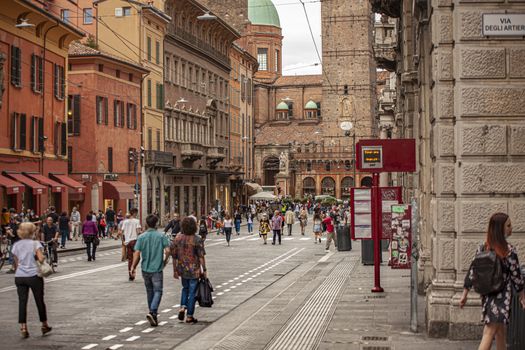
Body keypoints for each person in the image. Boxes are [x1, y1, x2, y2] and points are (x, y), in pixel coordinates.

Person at [459, 213, 525, 350]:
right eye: (508, 225)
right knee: (489, 332)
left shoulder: (482, 248)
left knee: (500, 332)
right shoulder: (509, 251)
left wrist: (464, 293)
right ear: (500, 228)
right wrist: (522, 295)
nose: (511, 228)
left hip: (487, 296)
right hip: (502, 298)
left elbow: (472, 271)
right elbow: (516, 277)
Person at [12, 222, 52, 338]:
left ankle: (23, 327)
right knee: (39, 300)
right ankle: (44, 325)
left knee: (22, 302)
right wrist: (41, 257)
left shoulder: (16, 245)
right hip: (33, 275)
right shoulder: (35, 244)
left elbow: (16, 263)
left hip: (20, 276)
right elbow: (40, 258)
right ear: (32, 232)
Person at [130, 214, 171, 327]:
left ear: (147, 224)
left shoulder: (142, 237)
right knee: (158, 291)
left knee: (150, 291)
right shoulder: (161, 236)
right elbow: (168, 250)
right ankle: (153, 311)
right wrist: (165, 260)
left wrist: (133, 267)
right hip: (157, 268)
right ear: (156, 224)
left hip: (145, 269)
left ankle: (152, 314)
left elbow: (137, 254)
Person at [172, 217, 207, 324]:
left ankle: (183, 306)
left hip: (182, 268)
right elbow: (201, 256)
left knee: (185, 288)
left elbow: (174, 256)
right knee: (192, 292)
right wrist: (204, 270)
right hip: (194, 269)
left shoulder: (178, 238)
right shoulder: (197, 239)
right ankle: (190, 316)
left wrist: (175, 270)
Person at [121, 208, 142, 280]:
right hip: (134, 241)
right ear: (134, 213)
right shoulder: (137, 221)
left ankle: (130, 274)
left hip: (127, 242)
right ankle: (133, 268)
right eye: (137, 213)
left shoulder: (125, 221)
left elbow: (122, 232)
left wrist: (123, 240)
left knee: (130, 259)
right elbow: (138, 232)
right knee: (138, 257)